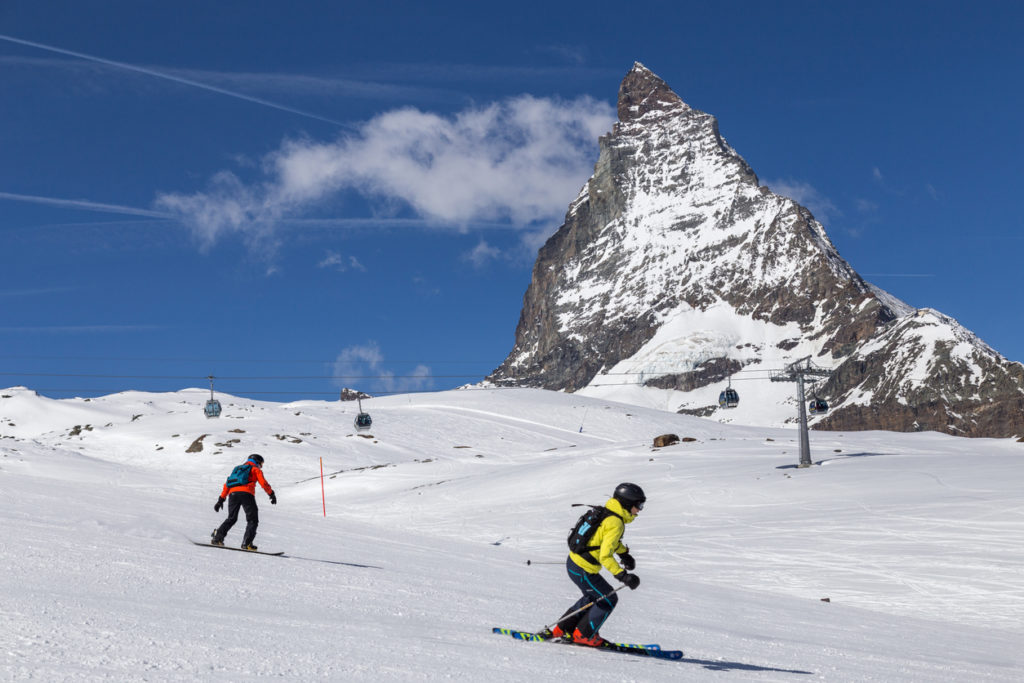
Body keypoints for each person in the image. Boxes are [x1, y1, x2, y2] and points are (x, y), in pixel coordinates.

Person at [545, 482, 645, 647]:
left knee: (593, 596)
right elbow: (605, 555)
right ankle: (584, 635)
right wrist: (623, 575)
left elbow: (604, 541)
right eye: (639, 505)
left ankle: (562, 630)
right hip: (584, 569)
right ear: (627, 503)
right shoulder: (616, 522)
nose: (640, 509)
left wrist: (623, 553)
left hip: (575, 564)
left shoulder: (608, 513)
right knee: (608, 599)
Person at [211, 453, 276, 551]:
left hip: (233, 494)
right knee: (252, 520)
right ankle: (247, 543)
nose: (261, 466)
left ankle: (217, 538)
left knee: (232, 518)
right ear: (257, 462)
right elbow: (264, 483)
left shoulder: (237, 469)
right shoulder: (255, 469)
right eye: (261, 464)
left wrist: (221, 500)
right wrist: (271, 494)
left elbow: (228, 484)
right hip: (247, 494)